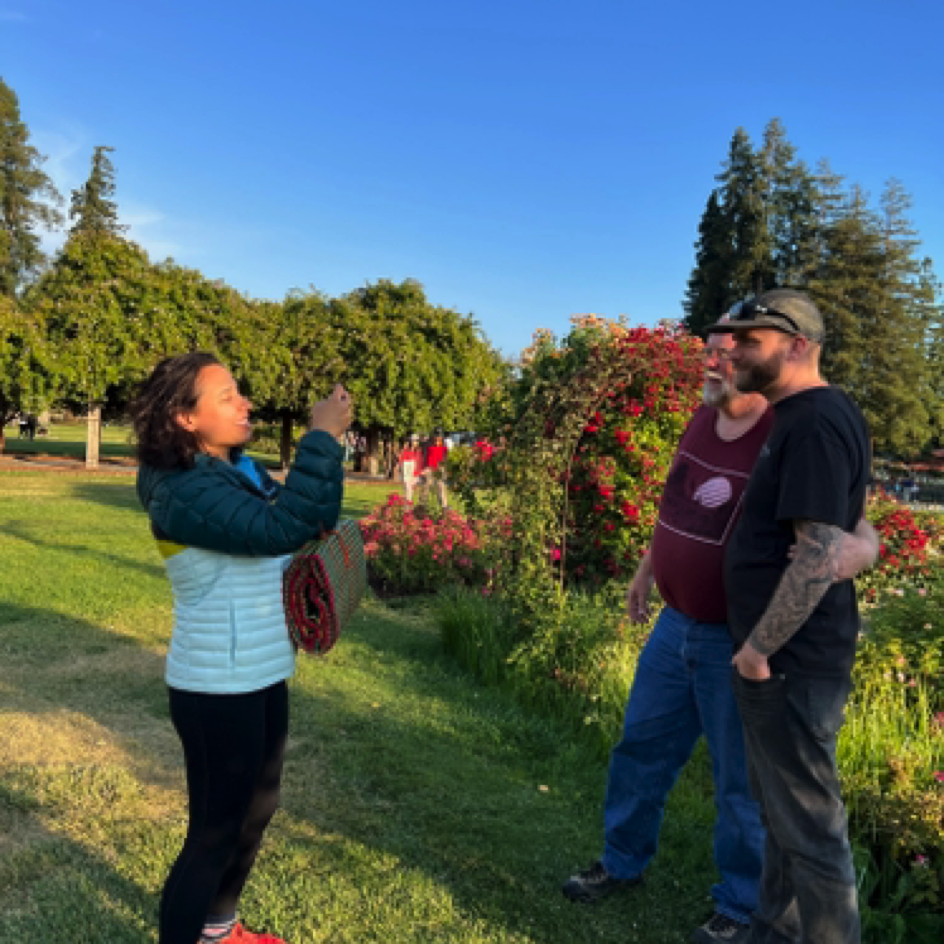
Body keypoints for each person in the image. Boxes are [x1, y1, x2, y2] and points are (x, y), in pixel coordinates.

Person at [562, 319, 878, 944]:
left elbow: (856, 521)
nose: (711, 363)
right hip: (674, 624)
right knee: (640, 750)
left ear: (753, 365)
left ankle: (739, 905)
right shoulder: (702, 421)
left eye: (724, 355)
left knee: (741, 786)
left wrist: (859, 553)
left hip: (733, 639)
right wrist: (646, 571)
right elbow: (675, 502)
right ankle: (621, 863)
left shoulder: (783, 427)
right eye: (705, 353)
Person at [131, 352, 352, 944]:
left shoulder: (237, 471)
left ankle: (219, 931)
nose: (245, 403)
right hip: (215, 686)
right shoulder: (184, 492)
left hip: (260, 670)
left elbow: (312, 519)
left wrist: (329, 453)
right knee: (212, 833)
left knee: (256, 810)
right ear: (184, 418)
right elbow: (277, 531)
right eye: (226, 396)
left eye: (239, 392)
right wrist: (320, 439)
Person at [710, 289, 874, 944]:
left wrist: (756, 653)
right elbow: (848, 527)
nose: (734, 349)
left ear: (797, 346)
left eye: (751, 340)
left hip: (791, 665)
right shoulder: (804, 417)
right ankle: (772, 932)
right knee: (781, 818)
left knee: (811, 831)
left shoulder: (813, 421)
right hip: (782, 661)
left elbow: (817, 553)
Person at [424, 432, 449, 509]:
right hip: (430, 468)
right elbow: (426, 458)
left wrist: (445, 469)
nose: (438, 438)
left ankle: (444, 505)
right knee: (427, 487)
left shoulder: (444, 448)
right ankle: (423, 504)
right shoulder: (430, 447)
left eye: (440, 436)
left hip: (440, 469)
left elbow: (446, 459)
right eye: (436, 436)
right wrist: (425, 468)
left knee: (441, 487)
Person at [398, 433, 424, 502]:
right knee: (408, 492)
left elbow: (421, 463)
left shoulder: (419, 451)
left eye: (417, 441)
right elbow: (401, 462)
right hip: (408, 475)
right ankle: (407, 508)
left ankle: (418, 507)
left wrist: (421, 472)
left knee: (418, 491)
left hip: (417, 475)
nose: (416, 442)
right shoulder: (406, 451)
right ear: (411, 441)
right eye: (414, 440)